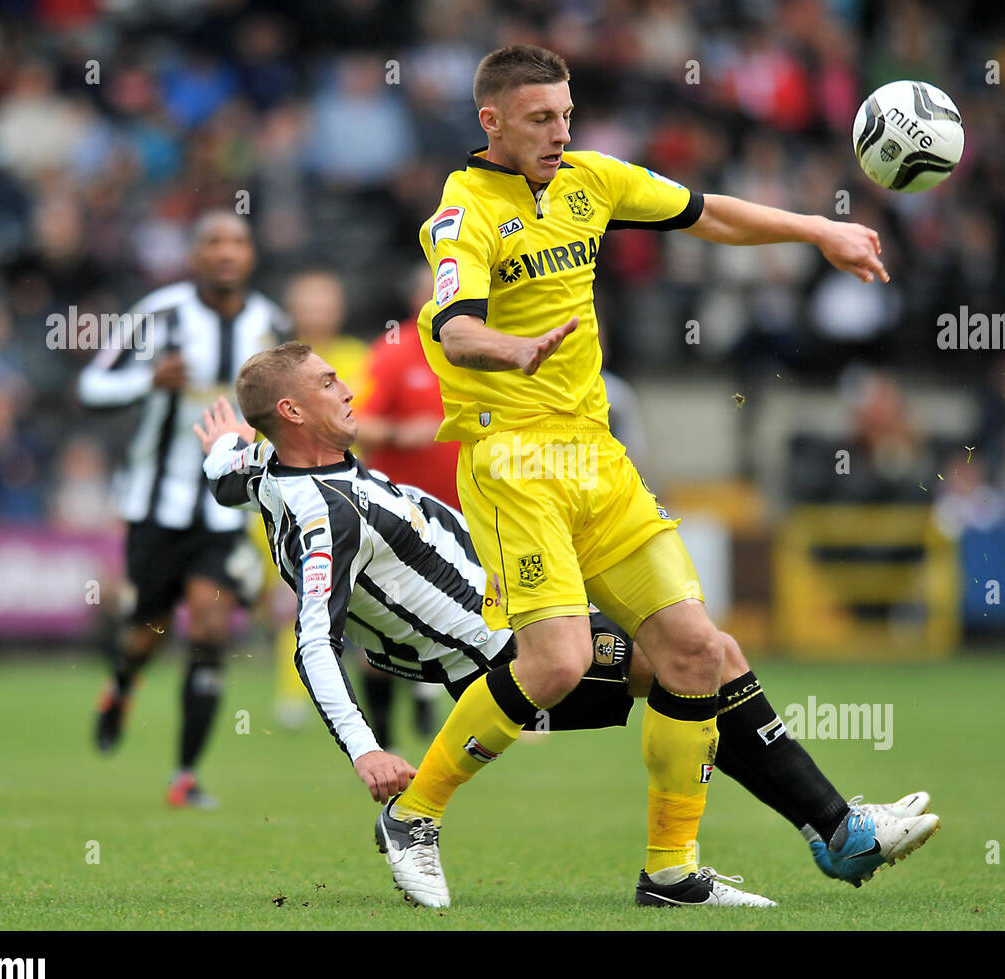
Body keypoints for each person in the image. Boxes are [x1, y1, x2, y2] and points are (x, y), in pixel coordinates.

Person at [390, 44, 920, 907]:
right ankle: (414, 812)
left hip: (596, 456)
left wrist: (817, 228)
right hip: (514, 458)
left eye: (566, 113)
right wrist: (512, 348)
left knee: (696, 651)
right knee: (557, 662)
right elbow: (453, 329)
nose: (560, 131)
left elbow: (707, 214)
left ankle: (671, 870)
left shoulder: (593, 180)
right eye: (539, 118)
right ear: (490, 122)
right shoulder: (463, 211)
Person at [195, 353, 939, 910]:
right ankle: (772, 847)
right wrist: (364, 748)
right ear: (292, 412)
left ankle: (822, 831)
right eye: (329, 382)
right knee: (701, 654)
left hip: (519, 609)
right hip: (502, 654)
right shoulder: (326, 513)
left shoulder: (271, 467)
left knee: (706, 652)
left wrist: (220, 449)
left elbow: (235, 472)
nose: (348, 387)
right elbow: (314, 641)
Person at [78, 210, 287, 807]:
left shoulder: (271, 323)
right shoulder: (159, 314)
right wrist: (149, 381)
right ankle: (120, 685)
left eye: (237, 242)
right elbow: (91, 389)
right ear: (194, 255)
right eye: (213, 242)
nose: (226, 252)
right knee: (146, 629)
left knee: (211, 623)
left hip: (227, 508)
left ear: (250, 255)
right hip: (156, 504)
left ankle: (185, 777)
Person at [351, 264, 459, 743]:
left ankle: (437, 708)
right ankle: (383, 735)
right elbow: (352, 423)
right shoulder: (393, 353)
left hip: (465, 514)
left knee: (462, 616)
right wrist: (399, 433)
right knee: (389, 622)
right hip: (401, 517)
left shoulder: (477, 349)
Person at [266, 269, 372, 730]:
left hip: (358, 497)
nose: (316, 312)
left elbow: (370, 422)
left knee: (369, 604)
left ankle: (401, 691)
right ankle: (294, 695)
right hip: (295, 499)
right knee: (293, 600)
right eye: (307, 303)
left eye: (323, 302)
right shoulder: (272, 368)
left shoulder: (361, 357)